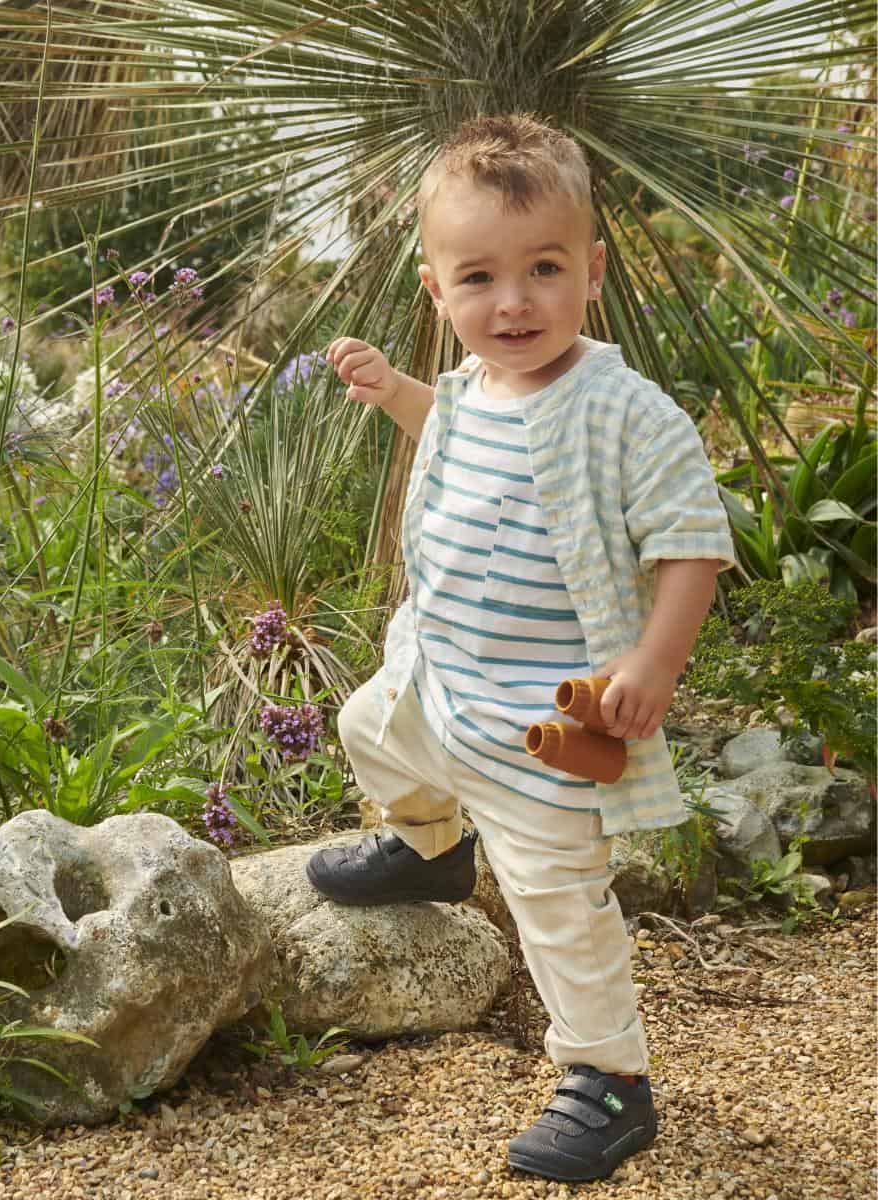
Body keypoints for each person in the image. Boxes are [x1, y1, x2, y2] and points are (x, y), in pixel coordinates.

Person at [306, 113, 736, 1183]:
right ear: (435, 290)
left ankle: (610, 1079)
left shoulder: (626, 411)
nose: (514, 302)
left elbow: (693, 545)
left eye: (543, 268)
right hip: (437, 679)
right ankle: (430, 847)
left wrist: (650, 668)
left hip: (540, 728)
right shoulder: (465, 390)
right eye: (480, 277)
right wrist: (395, 396)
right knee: (365, 725)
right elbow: (453, 430)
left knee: (557, 903)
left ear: (591, 270)